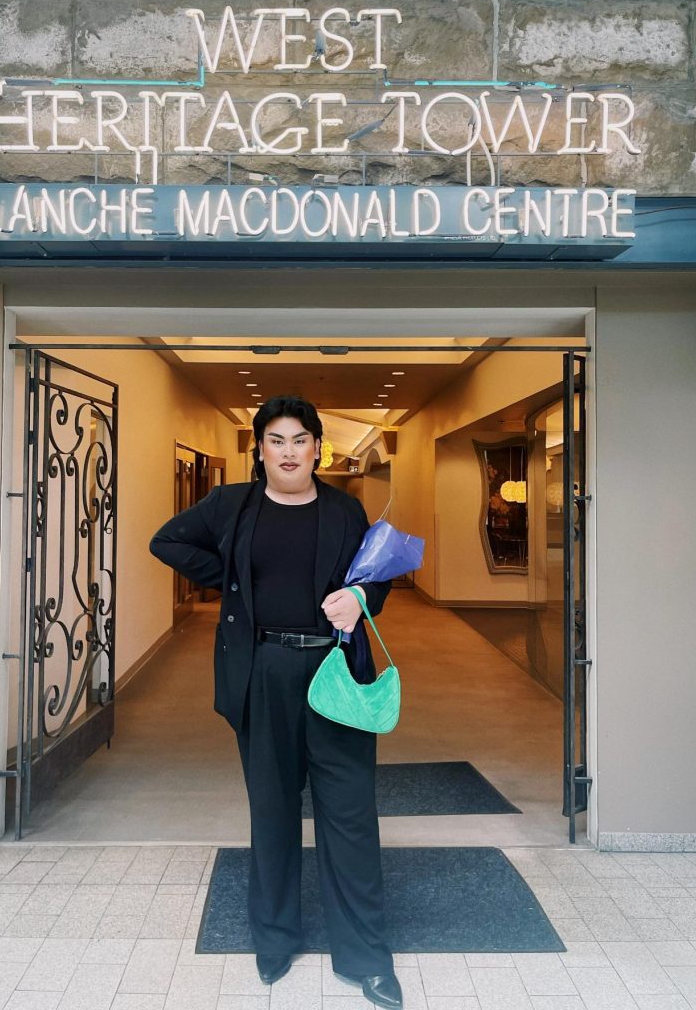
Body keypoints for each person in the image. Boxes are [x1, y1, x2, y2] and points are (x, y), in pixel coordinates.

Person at [150, 395, 403, 1010]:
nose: (288, 452)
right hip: (262, 670)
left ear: (319, 448)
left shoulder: (346, 509)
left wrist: (361, 597)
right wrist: (233, 579)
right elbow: (167, 542)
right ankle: (274, 939)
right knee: (272, 810)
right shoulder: (230, 504)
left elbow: (381, 573)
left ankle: (365, 957)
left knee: (349, 813)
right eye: (276, 440)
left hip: (334, 671)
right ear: (259, 448)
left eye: (300, 440)